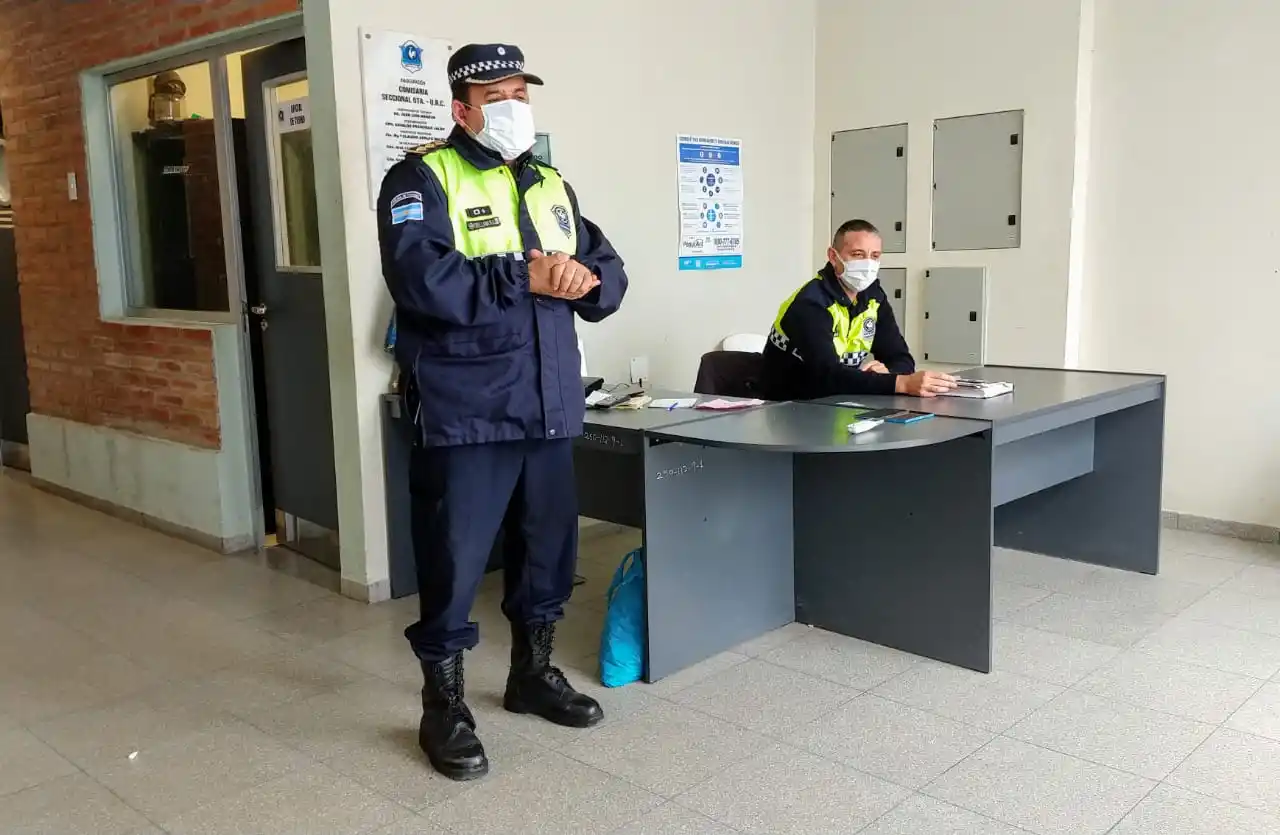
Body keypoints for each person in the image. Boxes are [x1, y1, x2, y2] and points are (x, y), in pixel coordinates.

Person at [376, 43, 627, 781]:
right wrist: (525, 275)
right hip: (468, 410)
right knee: (453, 559)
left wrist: (584, 280)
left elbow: (608, 270)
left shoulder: (551, 184)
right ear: (463, 110)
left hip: (549, 404)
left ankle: (532, 674)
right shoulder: (421, 178)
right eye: (497, 97)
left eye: (521, 93)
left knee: (548, 548)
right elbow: (422, 279)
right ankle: (443, 706)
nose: (514, 107)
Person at [761, 219, 956, 400]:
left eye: (875, 256)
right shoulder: (811, 303)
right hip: (790, 406)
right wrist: (900, 383)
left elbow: (901, 358)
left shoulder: (874, 297)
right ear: (833, 257)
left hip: (840, 401)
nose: (868, 264)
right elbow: (828, 375)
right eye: (858, 255)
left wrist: (888, 372)